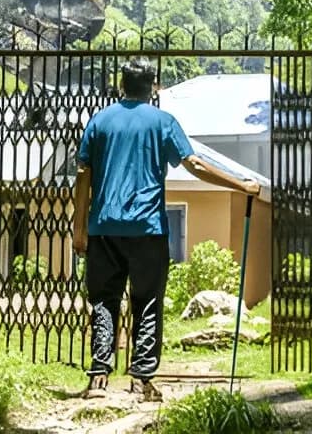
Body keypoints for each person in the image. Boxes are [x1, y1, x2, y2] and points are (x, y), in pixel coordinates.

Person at [72, 58, 261, 402]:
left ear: (122, 85)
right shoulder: (163, 122)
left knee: (103, 301)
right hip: (148, 228)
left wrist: (78, 228)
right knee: (147, 302)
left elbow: (84, 173)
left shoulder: (100, 120)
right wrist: (241, 185)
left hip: (104, 228)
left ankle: (99, 378)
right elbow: (195, 164)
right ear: (154, 87)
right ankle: (141, 381)